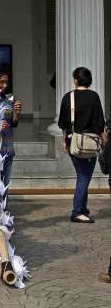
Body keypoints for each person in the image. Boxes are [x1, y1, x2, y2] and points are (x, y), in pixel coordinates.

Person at [58, 67, 105, 223]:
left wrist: (65, 139)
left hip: (74, 143)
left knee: (82, 176)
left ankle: (82, 209)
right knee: (84, 177)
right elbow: (100, 123)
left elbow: (63, 123)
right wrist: (103, 140)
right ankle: (78, 211)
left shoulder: (68, 97)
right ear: (89, 80)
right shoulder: (94, 97)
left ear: (76, 80)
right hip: (91, 143)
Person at [0, 72, 22, 207]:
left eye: (7, 82)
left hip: (7, 148)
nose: (4, 85)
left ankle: (4, 212)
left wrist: (16, 114)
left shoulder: (9, 99)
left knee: (5, 183)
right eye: (1, 82)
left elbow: (13, 123)